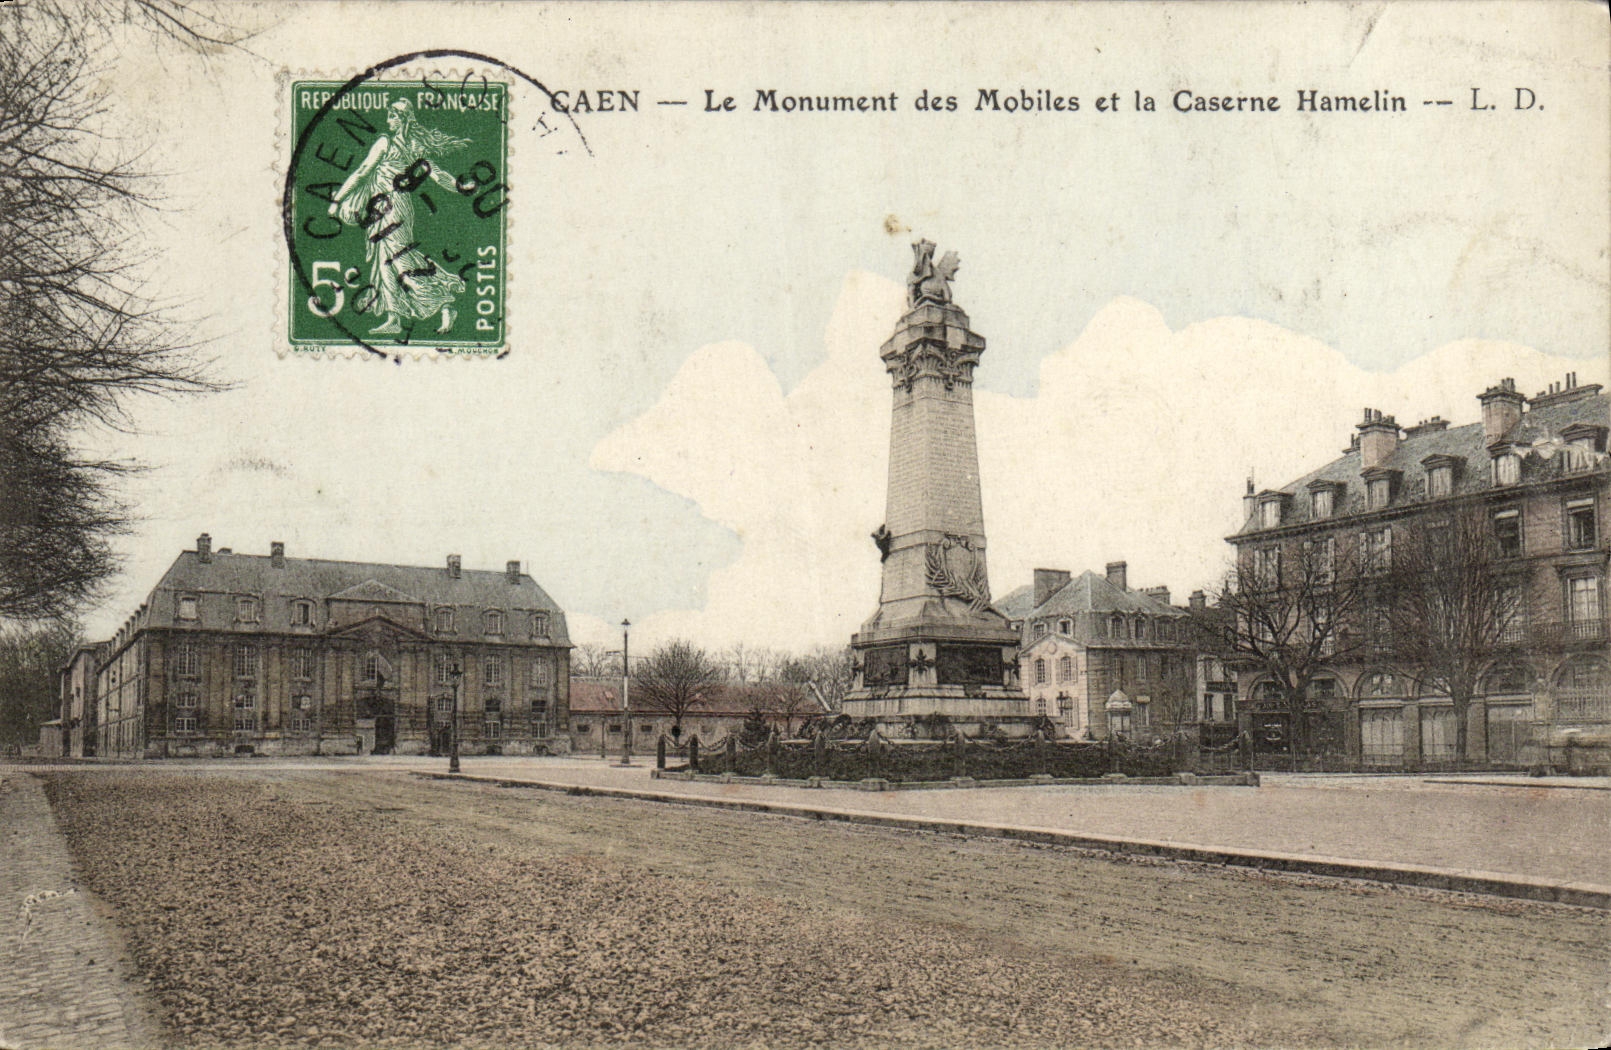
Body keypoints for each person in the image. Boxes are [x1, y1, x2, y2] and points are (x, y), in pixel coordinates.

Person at [328, 99, 469, 335]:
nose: (388, 121)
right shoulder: (414, 146)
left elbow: (363, 171)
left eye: (392, 116)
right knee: (386, 262)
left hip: (390, 209)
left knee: (400, 260)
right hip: (388, 209)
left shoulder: (386, 142)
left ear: (402, 118)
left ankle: (444, 304)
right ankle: (394, 318)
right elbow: (439, 176)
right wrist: (459, 186)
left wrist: (337, 200)